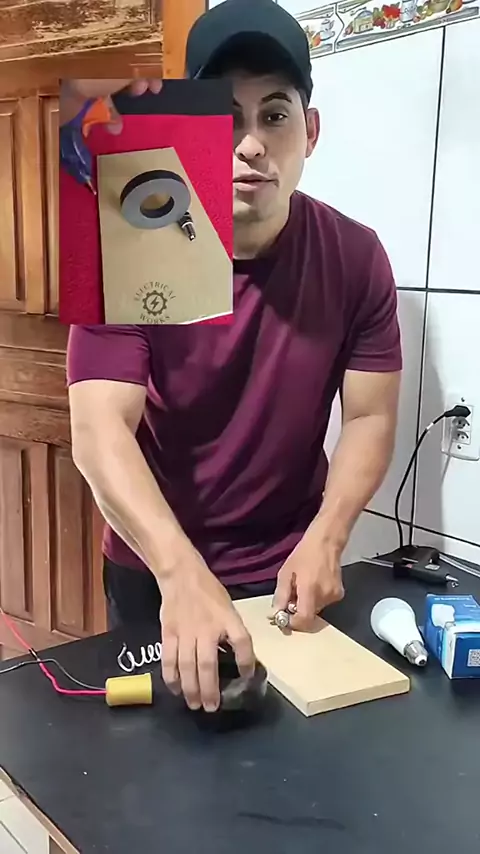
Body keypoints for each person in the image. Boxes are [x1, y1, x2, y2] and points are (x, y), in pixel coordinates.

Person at [66, 0, 402, 714]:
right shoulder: (130, 244)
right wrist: (179, 572)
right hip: (156, 563)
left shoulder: (357, 257)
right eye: (225, 117)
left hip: (287, 573)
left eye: (275, 115)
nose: (251, 144)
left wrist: (329, 536)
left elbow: (370, 416)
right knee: (160, 769)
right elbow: (98, 430)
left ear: (310, 132)